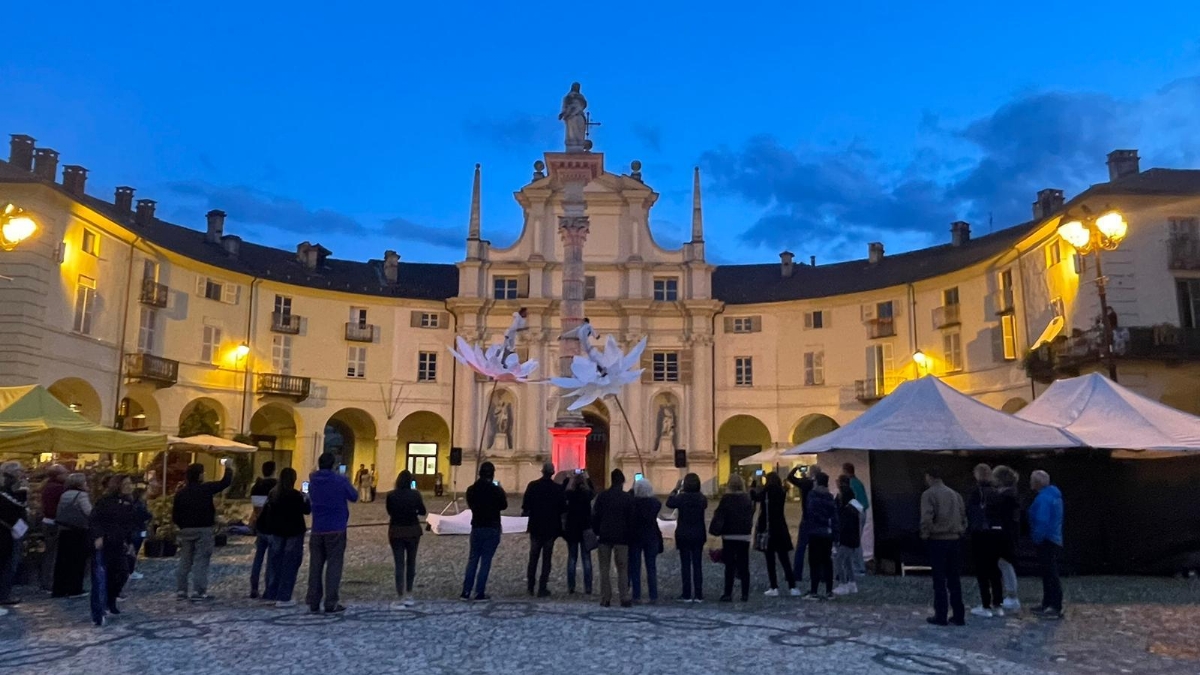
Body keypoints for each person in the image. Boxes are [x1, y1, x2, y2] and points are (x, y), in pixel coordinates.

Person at [172, 460, 233, 601]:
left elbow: (175, 514)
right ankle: (198, 591)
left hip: (186, 530)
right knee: (201, 561)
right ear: (199, 476)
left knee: (185, 560)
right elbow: (224, 483)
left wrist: (182, 526)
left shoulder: (181, 493)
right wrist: (228, 467)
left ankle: (181, 590)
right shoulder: (205, 489)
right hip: (203, 529)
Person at [307, 452, 358, 613]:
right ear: (333, 465)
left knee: (315, 566)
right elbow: (354, 496)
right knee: (334, 566)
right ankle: (331, 602)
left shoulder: (313, 481)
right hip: (336, 528)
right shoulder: (340, 480)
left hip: (317, 528)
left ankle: (313, 601)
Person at [920, 467, 967, 626]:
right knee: (954, 579)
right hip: (955, 539)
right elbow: (963, 517)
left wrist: (926, 534)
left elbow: (926, 518)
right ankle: (959, 614)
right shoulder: (955, 494)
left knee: (939, 580)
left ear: (929, 476)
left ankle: (941, 614)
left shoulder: (929, 494)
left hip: (938, 540)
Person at [89, 475, 137, 625]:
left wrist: (130, 542)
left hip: (118, 544)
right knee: (100, 578)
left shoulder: (129, 502)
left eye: (130, 483)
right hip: (104, 543)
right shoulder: (105, 501)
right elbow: (94, 519)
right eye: (126, 483)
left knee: (123, 573)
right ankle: (98, 612)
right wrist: (98, 536)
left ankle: (111, 598)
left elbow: (129, 524)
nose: (130, 486)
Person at [263, 467, 310, 608]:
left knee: (275, 563)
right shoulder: (295, 495)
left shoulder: (273, 494)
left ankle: (271, 593)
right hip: (294, 532)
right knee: (290, 564)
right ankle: (284, 597)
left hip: (277, 532)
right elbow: (306, 510)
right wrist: (306, 498)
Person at [461, 462, 507, 602]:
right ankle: (479, 592)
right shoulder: (495, 490)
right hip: (492, 527)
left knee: (473, 559)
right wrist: (500, 489)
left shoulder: (471, 490)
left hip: (477, 527)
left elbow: (471, 504)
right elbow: (503, 506)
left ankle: (466, 591)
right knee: (485, 561)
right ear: (492, 474)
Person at [966, 463, 1005, 618]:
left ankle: (985, 604)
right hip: (996, 534)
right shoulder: (997, 492)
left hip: (980, 534)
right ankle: (998, 604)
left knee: (982, 570)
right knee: (995, 570)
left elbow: (970, 511)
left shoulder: (977, 492)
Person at [521, 462, 565, 598]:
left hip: (535, 527)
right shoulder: (557, 489)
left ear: (542, 471)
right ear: (552, 473)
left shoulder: (533, 486)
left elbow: (525, 506)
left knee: (533, 558)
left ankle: (530, 587)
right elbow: (563, 508)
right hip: (550, 529)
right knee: (547, 559)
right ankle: (542, 587)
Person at [592, 469, 634, 608]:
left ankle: (605, 598)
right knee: (623, 568)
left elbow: (596, 516)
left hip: (605, 536)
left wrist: (597, 531)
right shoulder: (627, 498)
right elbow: (631, 518)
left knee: (604, 569)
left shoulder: (603, 496)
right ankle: (624, 597)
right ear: (622, 481)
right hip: (622, 538)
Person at [752, 472, 798, 597]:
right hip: (780, 528)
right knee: (784, 559)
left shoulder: (766, 492)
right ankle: (792, 586)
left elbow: (754, 497)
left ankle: (774, 586)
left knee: (770, 559)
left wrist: (755, 482)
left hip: (768, 529)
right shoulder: (782, 492)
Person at [386, 470, 426, 607]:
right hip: (412, 530)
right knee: (411, 563)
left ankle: (400, 595)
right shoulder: (415, 495)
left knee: (399, 564)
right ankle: (409, 592)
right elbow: (423, 511)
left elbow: (390, 511)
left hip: (396, 531)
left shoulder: (391, 495)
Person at [711, 474, 754, 602]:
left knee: (729, 565)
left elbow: (720, 514)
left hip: (729, 535)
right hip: (744, 536)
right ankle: (745, 594)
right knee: (744, 565)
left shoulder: (726, 498)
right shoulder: (747, 498)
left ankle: (728, 593)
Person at [666, 473, 708, 603]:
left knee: (685, 565)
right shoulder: (702, 498)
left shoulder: (681, 498)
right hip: (698, 533)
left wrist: (676, 489)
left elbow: (669, 503)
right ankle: (699, 593)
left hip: (684, 533)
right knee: (697, 564)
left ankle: (687, 593)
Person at [1029, 470, 1064, 620]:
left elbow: (1041, 521)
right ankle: (1048, 603)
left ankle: (1054, 605)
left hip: (1046, 539)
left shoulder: (1043, 499)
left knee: (1049, 573)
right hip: (1053, 537)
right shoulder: (1054, 497)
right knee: (1049, 572)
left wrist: (1037, 537)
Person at [52, 473, 92, 598]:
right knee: (77, 561)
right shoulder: (81, 495)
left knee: (63, 561)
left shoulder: (64, 494)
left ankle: (59, 589)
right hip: (78, 530)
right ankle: (75, 589)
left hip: (64, 529)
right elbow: (88, 512)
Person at [802, 472, 839, 600]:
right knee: (827, 561)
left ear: (816, 482)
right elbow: (835, 517)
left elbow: (810, 513)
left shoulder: (812, 495)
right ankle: (829, 591)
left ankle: (814, 591)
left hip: (815, 532)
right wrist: (835, 534)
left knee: (814, 562)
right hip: (827, 534)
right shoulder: (829, 497)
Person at [992, 465, 1022, 611]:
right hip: (1008, 534)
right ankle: (1011, 595)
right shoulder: (1011, 495)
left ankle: (1012, 595)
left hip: (1005, 535)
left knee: (1006, 564)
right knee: (1005, 564)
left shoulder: (1006, 497)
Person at [627, 478, 662, 604]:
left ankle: (636, 595)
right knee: (651, 567)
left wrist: (632, 490)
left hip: (636, 537)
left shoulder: (633, 503)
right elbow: (658, 502)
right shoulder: (655, 504)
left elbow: (630, 500)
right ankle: (653, 595)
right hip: (651, 537)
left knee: (635, 568)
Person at [249, 461, 278, 599]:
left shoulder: (255, 487)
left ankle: (254, 587)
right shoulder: (276, 486)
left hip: (260, 527)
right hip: (272, 526)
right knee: (271, 560)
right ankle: (268, 589)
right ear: (274, 470)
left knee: (258, 558)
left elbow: (255, 509)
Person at [786, 465, 821, 581]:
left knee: (801, 548)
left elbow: (790, 477)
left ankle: (797, 574)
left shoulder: (805, 483)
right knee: (817, 548)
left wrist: (796, 468)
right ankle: (819, 574)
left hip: (806, 518)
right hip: (818, 520)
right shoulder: (821, 483)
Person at [562, 470, 595, 595]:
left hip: (572, 528)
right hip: (585, 527)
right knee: (586, 559)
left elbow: (565, 493)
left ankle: (571, 586)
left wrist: (571, 479)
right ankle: (588, 587)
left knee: (572, 558)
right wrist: (586, 480)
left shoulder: (571, 493)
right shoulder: (586, 493)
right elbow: (592, 494)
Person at [0, 462, 28, 607]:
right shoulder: (7, 491)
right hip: (7, 532)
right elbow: (17, 505)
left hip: (9, 531)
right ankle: (3, 594)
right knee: (8, 563)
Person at [38, 465, 68, 591]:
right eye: (65, 473)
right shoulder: (58, 488)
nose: (67, 475)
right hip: (54, 522)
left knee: (50, 554)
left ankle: (47, 581)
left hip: (48, 521)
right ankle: (48, 582)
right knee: (52, 554)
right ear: (58, 475)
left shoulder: (47, 486)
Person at [833, 476, 863, 595]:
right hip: (853, 540)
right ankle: (852, 583)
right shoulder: (854, 509)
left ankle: (843, 584)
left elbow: (843, 526)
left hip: (846, 540)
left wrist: (838, 538)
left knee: (839, 561)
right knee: (848, 561)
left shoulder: (846, 511)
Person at [842, 463, 870, 574]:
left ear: (845, 471)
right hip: (861, 512)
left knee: (855, 541)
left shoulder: (852, 484)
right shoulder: (858, 482)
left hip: (857, 513)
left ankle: (859, 567)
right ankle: (857, 565)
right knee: (856, 540)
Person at [127, 486, 152, 581]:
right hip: (137, 530)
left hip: (135, 529)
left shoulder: (133, 504)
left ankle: (130, 570)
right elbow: (145, 515)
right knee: (133, 551)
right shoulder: (139, 505)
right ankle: (130, 571)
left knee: (133, 550)